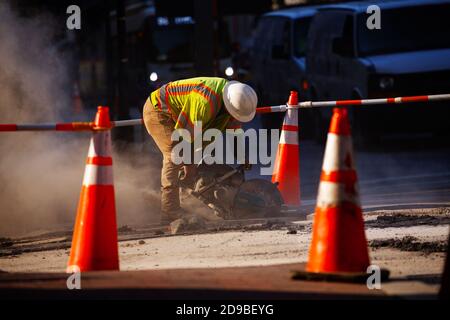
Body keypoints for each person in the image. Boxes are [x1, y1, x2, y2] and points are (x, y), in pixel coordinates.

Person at [143, 77, 258, 224]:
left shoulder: (232, 98)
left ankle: (186, 199)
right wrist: (189, 168)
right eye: (235, 116)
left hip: (177, 113)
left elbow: (234, 132)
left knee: (188, 162)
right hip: (159, 110)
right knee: (175, 155)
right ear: (229, 107)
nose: (236, 120)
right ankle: (169, 211)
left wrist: (242, 157)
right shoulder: (204, 103)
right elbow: (185, 140)